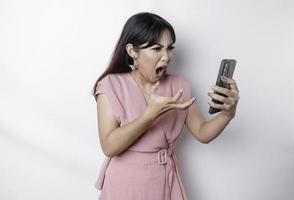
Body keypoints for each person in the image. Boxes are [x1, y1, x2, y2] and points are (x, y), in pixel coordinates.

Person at [92, 12, 239, 200]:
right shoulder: (111, 85)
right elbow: (109, 147)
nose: (166, 57)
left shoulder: (179, 85)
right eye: (156, 49)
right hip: (125, 183)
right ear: (132, 51)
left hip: (164, 180)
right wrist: (149, 115)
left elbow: (202, 133)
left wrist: (227, 114)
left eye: (169, 49)